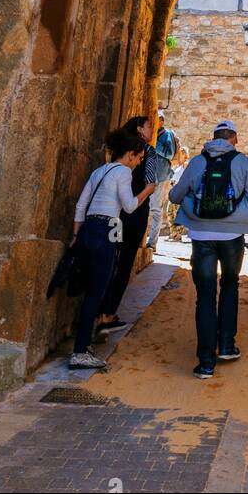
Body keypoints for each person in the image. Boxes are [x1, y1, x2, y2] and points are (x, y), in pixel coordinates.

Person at [170, 121, 248, 379]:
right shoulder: (243, 162)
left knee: (205, 295)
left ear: (213, 137)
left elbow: (175, 196)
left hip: (201, 235)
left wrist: (191, 199)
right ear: (233, 138)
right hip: (233, 235)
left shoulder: (197, 162)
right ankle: (226, 345)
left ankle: (205, 363)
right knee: (230, 285)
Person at [69, 129, 154, 370]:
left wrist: (75, 235)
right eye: (138, 157)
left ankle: (82, 345)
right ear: (129, 155)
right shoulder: (124, 173)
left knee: (89, 291)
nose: (139, 162)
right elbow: (128, 207)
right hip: (107, 229)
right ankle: (80, 351)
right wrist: (146, 191)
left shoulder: (99, 171)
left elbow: (81, 205)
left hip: (89, 229)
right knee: (96, 293)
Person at [95, 114, 157, 336]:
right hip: (135, 213)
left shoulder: (119, 149)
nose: (153, 130)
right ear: (140, 129)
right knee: (124, 264)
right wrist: (147, 191)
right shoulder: (148, 152)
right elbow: (151, 181)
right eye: (150, 126)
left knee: (109, 261)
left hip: (114, 213)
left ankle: (98, 311)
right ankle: (108, 315)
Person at [147, 109, 179, 249]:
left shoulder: (166, 135)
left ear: (161, 121)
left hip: (160, 176)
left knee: (156, 209)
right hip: (147, 175)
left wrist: (155, 144)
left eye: (157, 119)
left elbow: (170, 154)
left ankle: (152, 242)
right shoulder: (150, 133)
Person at [167, 146, 190, 241]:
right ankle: (173, 232)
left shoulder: (186, 165)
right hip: (173, 190)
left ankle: (178, 234)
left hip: (180, 192)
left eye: (182, 153)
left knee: (178, 213)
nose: (179, 155)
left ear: (185, 155)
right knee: (170, 212)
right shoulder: (176, 166)